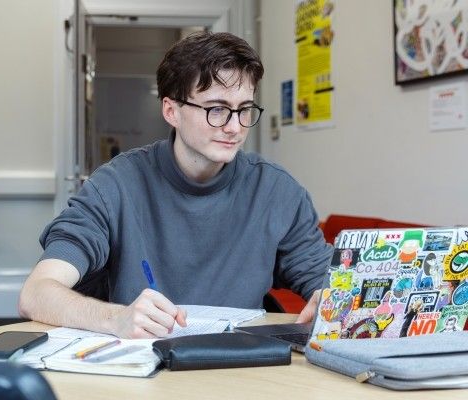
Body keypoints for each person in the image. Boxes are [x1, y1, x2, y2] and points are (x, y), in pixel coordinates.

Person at [18, 32, 332, 339]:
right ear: (171, 111)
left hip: (239, 369)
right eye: (217, 109)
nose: (235, 127)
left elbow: (328, 283)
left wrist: (329, 299)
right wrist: (116, 319)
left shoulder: (277, 191)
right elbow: (35, 293)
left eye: (244, 108)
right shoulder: (114, 186)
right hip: (141, 370)